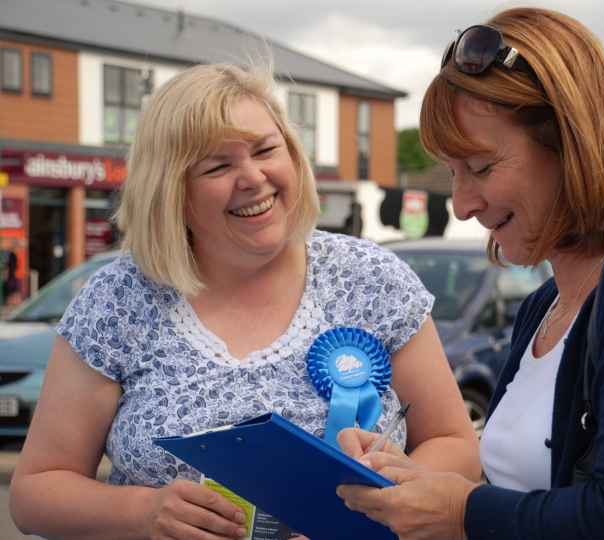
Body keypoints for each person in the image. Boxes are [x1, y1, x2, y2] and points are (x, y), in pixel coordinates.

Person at [9, 62, 480, 539]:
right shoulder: (117, 301)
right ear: (172, 192)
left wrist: (389, 497)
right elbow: (35, 493)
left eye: (266, 150)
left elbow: (454, 443)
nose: (253, 177)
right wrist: (144, 511)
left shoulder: (371, 278)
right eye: (218, 166)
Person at [337, 8, 604, 539]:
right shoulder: (544, 305)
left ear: (571, 144)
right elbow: (531, 497)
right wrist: (414, 486)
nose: (461, 205)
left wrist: (464, 512)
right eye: (453, 173)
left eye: (480, 168)